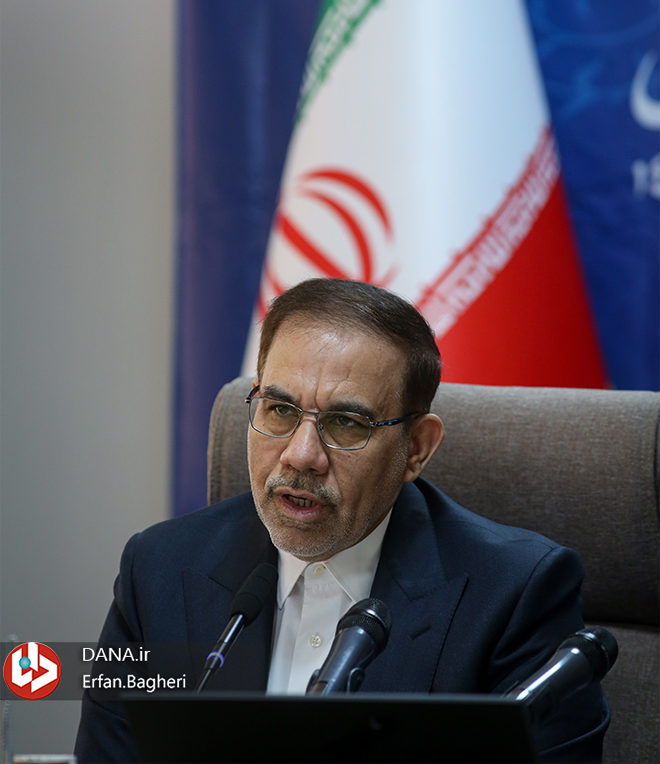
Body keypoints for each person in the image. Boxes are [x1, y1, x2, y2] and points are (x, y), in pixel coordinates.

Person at [75, 278, 609, 762]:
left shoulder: (514, 594)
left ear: (416, 449)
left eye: (347, 423)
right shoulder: (159, 570)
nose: (301, 455)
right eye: (279, 410)